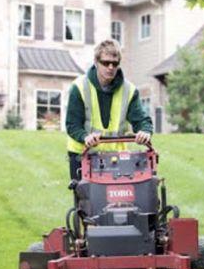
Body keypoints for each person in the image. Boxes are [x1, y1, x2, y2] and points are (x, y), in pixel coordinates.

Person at [65, 39, 153, 180]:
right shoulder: (79, 87)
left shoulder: (129, 90)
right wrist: (85, 137)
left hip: (116, 157)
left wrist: (145, 131)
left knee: (122, 198)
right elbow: (72, 125)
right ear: (96, 62)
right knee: (86, 199)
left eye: (115, 63)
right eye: (105, 63)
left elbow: (142, 120)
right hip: (82, 155)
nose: (110, 67)